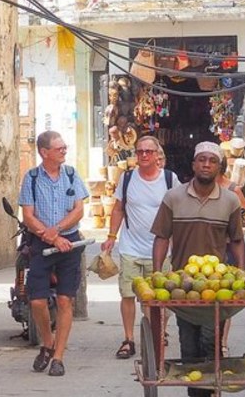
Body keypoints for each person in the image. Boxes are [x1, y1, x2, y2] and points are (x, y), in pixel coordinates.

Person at [151, 142, 244, 397]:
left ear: (218, 167)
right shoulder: (174, 198)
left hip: (218, 286)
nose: (206, 164)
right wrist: (157, 274)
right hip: (182, 286)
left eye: (212, 161)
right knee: (189, 345)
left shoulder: (230, 200)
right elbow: (161, 237)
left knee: (211, 342)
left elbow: (237, 240)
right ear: (193, 165)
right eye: (201, 160)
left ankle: (209, 393)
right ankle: (197, 395)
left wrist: (243, 272)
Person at [102, 136, 180, 359]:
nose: (144, 155)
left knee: (161, 296)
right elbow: (118, 209)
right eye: (140, 152)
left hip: (160, 249)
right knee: (127, 295)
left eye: (148, 151)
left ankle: (159, 332)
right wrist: (111, 236)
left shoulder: (169, 179)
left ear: (157, 155)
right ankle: (129, 339)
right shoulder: (127, 178)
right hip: (131, 248)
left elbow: (179, 210)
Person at [19, 130, 89, 377]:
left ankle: (58, 356)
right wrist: (50, 237)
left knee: (64, 300)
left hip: (69, 243)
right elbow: (28, 215)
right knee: (36, 300)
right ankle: (47, 343)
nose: (64, 150)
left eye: (64, 147)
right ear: (44, 152)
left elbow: (79, 210)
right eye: (59, 148)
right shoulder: (32, 178)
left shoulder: (71, 174)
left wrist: (58, 232)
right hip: (41, 244)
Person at [216, 159, 245, 356]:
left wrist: (240, 214)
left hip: (228, 248)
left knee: (225, 298)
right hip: (206, 249)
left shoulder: (233, 190)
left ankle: (222, 341)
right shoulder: (201, 188)